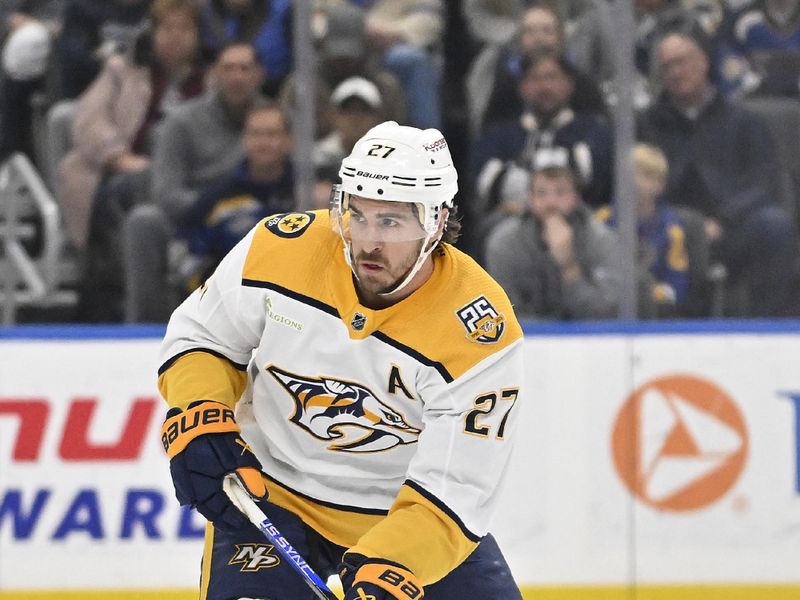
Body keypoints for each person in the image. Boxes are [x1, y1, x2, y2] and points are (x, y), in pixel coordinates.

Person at [157, 121, 525, 599]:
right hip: (269, 502)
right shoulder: (279, 249)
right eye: (358, 215)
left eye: (391, 222)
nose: (367, 241)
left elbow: (457, 490)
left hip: (406, 521)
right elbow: (204, 335)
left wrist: (394, 562)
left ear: (436, 222)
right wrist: (198, 411)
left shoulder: (478, 333)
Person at [638, 28, 796, 316]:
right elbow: (641, 184)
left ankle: (772, 329)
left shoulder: (744, 121)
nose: (676, 72)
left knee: (774, 225)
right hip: (671, 228)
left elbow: (764, 184)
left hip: (733, 228)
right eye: (667, 66)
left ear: (703, 62)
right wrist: (690, 224)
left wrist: (722, 221)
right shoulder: (649, 124)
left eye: (682, 62)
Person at [122, 40, 265, 322]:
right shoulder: (181, 121)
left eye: (245, 68)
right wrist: (216, 207)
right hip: (194, 216)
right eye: (229, 68)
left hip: (259, 215)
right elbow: (166, 194)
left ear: (259, 74)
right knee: (143, 220)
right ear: (214, 74)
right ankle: (143, 327)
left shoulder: (272, 120)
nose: (237, 77)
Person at [484, 154, 622, 320]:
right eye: (541, 193)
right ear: (530, 199)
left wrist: (569, 268)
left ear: (576, 198)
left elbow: (606, 312)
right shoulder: (505, 243)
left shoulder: (600, 240)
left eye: (561, 192)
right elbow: (504, 314)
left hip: (589, 341)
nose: (551, 202)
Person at [177, 100, 295, 294]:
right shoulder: (218, 196)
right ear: (244, 139)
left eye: (272, 134)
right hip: (229, 302)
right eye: (256, 134)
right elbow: (184, 255)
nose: (264, 143)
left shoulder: (307, 191)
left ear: (290, 140)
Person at [596, 143, 690, 318]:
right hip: (607, 311)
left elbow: (677, 286)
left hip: (656, 317)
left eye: (647, 176)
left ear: (660, 185)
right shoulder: (601, 221)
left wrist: (646, 293)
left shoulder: (671, 229)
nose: (636, 182)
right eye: (630, 175)